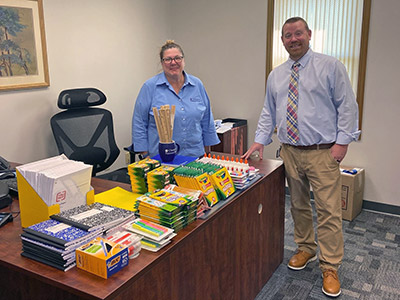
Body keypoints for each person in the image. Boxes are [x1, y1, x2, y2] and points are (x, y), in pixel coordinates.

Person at [242, 17, 360, 297]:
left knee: (329, 211)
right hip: (290, 152)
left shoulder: (330, 67)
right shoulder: (277, 75)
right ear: (282, 40)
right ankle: (305, 247)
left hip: (322, 152)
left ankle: (330, 266)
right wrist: (260, 141)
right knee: (298, 206)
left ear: (308, 35)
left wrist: (342, 144)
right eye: (287, 35)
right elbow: (269, 111)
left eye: (298, 34)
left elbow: (347, 106)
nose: (293, 39)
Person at [132, 40, 220, 158]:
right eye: (168, 59)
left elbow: (207, 119)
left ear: (183, 60)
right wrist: (144, 154)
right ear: (162, 63)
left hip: (194, 156)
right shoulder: (150, 87)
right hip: (161, 158)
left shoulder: (197, 84)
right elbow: (139, 122)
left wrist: (207, 152)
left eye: (177, 58)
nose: (173, 63)